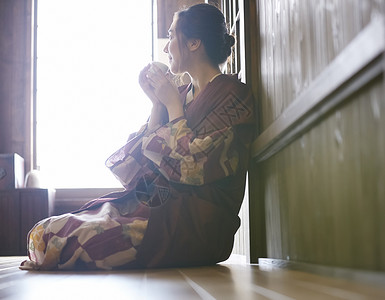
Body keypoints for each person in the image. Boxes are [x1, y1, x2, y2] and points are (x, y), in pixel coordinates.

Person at [20, 3, 256, 271]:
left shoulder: (234, 96)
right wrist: (158, 105)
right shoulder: (179, 95)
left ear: (193, 43)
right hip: (156, 208)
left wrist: (173, 107)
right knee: (41, 232)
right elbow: (138, 167)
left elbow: (193, 169)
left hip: (196, 224)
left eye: (170, 36)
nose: (166, 48)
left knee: (52, 240)